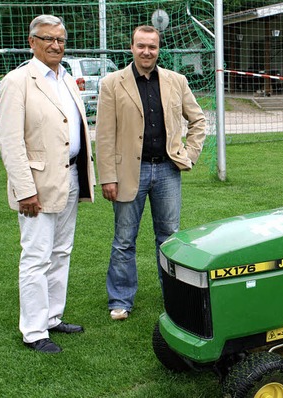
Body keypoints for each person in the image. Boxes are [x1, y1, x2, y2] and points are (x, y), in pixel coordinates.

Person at [0, 15, 96, 353]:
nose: (56, 45)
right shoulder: (18, 81)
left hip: (69, 176)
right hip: (36, 185)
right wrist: (25, 189)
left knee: (61, 252)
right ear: (32, 42)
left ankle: (52, 317)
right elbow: (10, 142)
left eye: (61, 40)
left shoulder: (66, 78)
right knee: (36, 256)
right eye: (48, 39)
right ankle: (34, 331)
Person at [96, 25, 206, 321]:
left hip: (168, 171)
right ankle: (120, 299)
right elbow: (104, 135)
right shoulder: (112, 83)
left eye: (152, 47)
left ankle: (172, 295)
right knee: (124, 239)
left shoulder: (176, 81)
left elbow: (199, 122)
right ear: (132, 48)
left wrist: (189, 155)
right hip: (129, 171)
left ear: (159, 50)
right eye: (141, 46)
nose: (147, 52)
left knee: (169, 238)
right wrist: (108, 176)